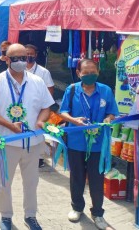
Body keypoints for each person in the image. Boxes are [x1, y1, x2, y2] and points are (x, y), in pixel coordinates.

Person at [0, 44, 54, 230]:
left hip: (33, 142)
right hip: (6, 141)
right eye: (16, 59)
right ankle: (6, 216)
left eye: (25, 58)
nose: (22, 62)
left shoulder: (37, 81)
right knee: (4, 182)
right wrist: (8, 125)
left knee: (31, 182)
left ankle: (30, 216)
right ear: (6, 59)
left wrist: (40, 121)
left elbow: (47, 106)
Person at [59, 59, 118, 230]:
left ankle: (98, 213)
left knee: (96, 179)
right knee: (76, 177)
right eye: (85, 73)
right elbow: (63, 112)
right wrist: (73, 121)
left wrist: (108, 119)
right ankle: (77, 208)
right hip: (76, 142)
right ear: (78, 73)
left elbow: (112, 112)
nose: (89, 75)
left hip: (98, 144)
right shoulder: (71, 90)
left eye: (93, 72)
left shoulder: (105, 91)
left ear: (98, 72)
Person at [25, 44, 55, 168]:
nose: (29, 56)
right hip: (22, 108)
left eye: (31, 53)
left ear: (36, 55)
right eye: (26, 53)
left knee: (38, 132)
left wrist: (44, 106)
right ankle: (25, 155)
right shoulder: (18, 70)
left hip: (38, 107)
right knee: (24, 130)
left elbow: (50, 89)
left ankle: (39, 158)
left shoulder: (43, 72)